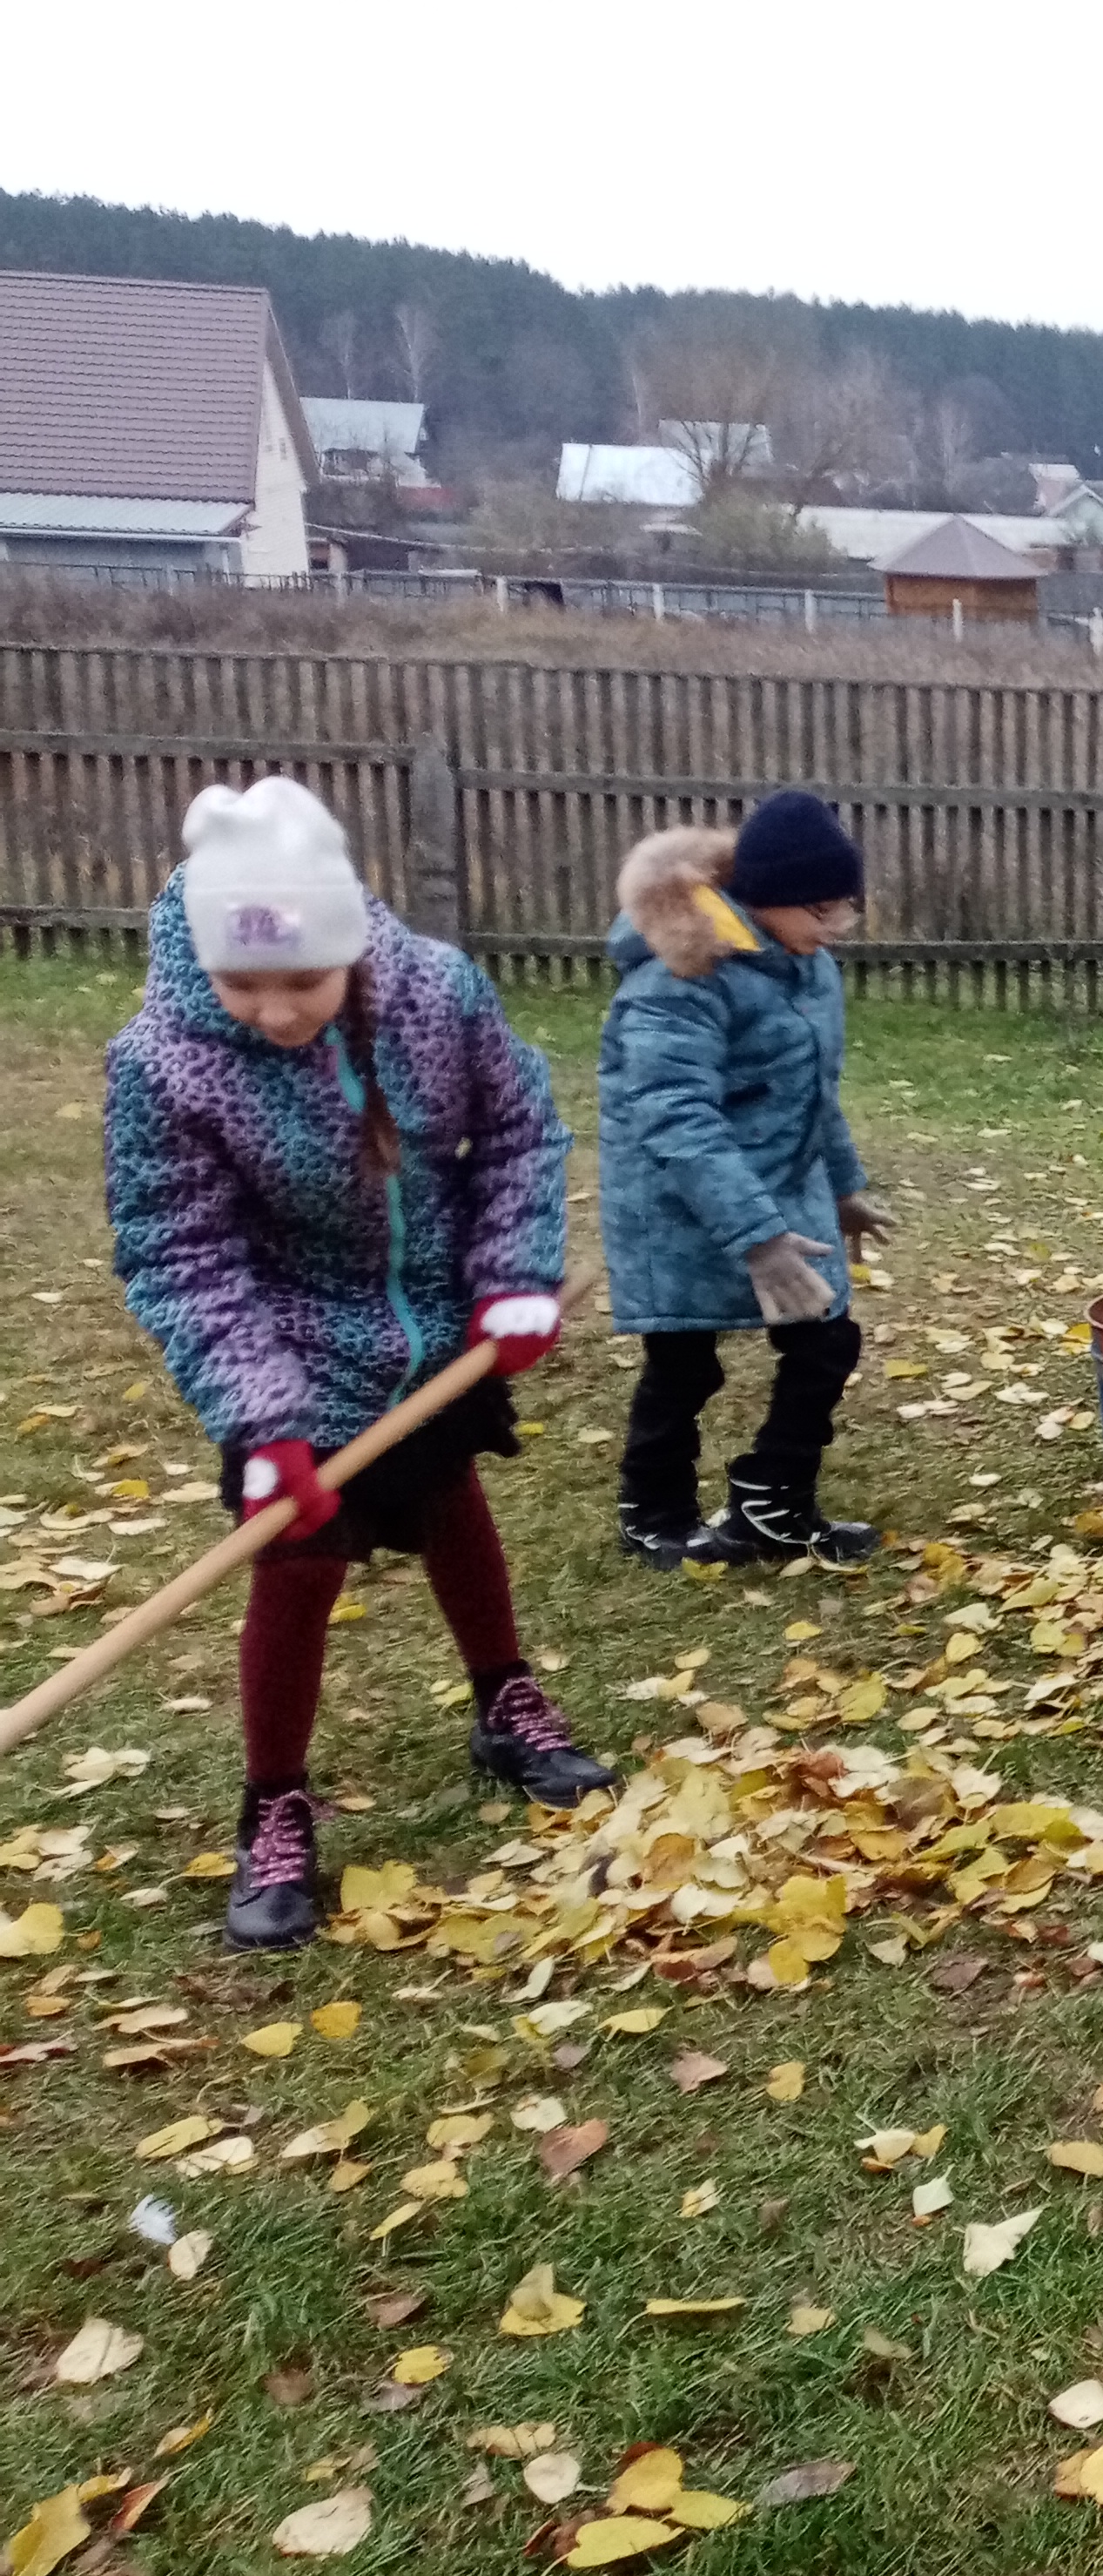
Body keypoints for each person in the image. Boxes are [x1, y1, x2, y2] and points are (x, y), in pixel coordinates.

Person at [104, 779, 604, 1951]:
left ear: (354, 949)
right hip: (280, 1336)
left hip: (432, 1323)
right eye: (246, 985)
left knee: (447, 1495)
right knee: (297, 1558)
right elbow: (181, 1252)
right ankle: (274, 1798)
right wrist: (264, 1424)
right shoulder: (166, 1059)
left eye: (303, 983)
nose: (276, 1012)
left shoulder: (434, 993)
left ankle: (504, 1703)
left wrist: (515, 1275)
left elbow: (521, 1129)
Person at [599, 795, 890, 1568]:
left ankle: (772, 1500)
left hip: (780, 1189)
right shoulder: (682, 976)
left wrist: (843, 1190)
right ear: (763, 897)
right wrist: (756, 1239)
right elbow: (675, 1117)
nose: (834, 929)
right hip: (682, 1205)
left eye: (845, 910)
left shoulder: (807, 967)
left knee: (827, 1342)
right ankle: (651, 1509)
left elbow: (813, 1094)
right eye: (820, 910)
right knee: (684, 1363)